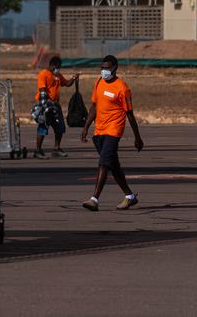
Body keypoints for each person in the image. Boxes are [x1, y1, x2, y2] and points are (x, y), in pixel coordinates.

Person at [81, 55, 144, 211]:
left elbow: (130, 114)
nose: (104, 71)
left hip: (114, 130)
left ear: (115, 68)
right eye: (102, 68)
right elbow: (94, 106)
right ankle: (130, 197)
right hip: (99, 130)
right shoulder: (99, 82)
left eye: (107, 68)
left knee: (103, 162)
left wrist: (138, 137)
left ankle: (94, 199)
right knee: (113, 165)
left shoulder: (122, 88)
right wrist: (86, 127)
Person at [33, 55, 79, 159]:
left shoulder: (58, 75)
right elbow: (42, 89)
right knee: (43, 127)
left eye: (59, 67)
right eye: (56, 66)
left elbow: (67, 83)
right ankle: (38, 151)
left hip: (56, 106)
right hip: (46, 105)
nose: (58, 69)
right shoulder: (43, 74)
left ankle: (56, 149)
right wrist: (45, 105)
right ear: (51, 65)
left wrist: (73, 78)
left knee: (60, 127)